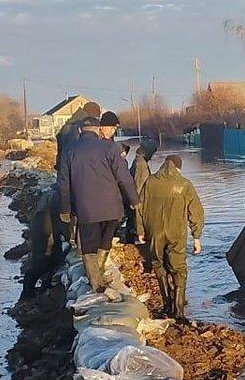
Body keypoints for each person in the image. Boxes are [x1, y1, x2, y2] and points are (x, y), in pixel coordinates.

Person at [57, 112, 139, 292]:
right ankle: (100, 272)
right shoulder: (109, 148)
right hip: (112, 208)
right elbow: (124, 177)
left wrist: (65, 209)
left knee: (88, 246)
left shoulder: (69, 151)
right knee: (106, 240)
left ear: (80, 130)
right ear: (98, 130)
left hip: (86, 209)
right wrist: (134, 199)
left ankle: (95, 283)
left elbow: (63, 183)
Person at [138, 154, 204, 321]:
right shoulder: (184, 184)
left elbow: (139, 207)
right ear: (178, 168)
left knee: (159, 266)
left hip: (154, 233)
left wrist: (140, 230)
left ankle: (166, 306)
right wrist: (196, 236)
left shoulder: (150, 182)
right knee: (179, 270)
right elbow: (196, 211)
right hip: (176, 233)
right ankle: (179, 312)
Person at [19, 185, 64, 301]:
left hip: (45, 228)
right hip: (43, 230)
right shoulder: (56, 197)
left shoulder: (55, 193)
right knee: (42, 262)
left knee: (53, 260)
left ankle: (41, 289)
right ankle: (26, 296)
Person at [125, 138, 157, 242]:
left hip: (133, 204)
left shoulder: (137, 161)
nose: (152, 157)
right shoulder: (141, 165)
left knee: (131, 227)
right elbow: (140, 189)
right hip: (138, 206)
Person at [55, 101, 101, 173]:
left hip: (64, 167)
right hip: (75, 171)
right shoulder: (80, 127)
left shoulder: (68, 126)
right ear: (92, 115)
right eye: (97, 117)